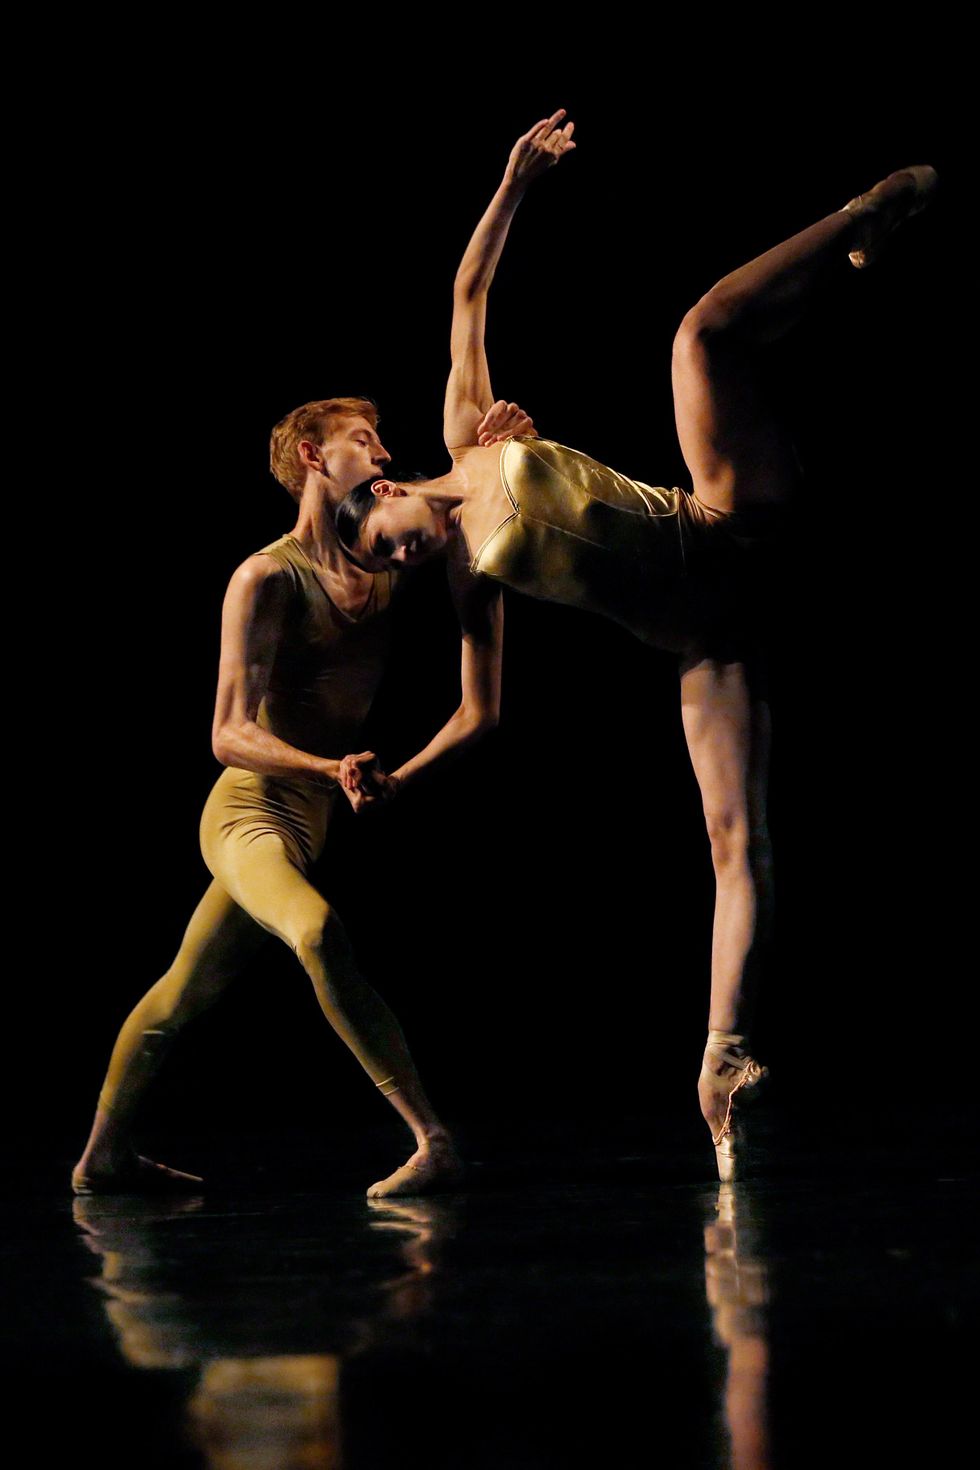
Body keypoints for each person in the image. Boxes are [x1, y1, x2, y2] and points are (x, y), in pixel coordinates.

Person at [335, 109, 938, 1179]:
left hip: (721, 519)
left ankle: (873, 206)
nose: (398, 561)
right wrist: (404, 777)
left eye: (383, 544)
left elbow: (467, 293)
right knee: (732, 849)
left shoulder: (469, 429)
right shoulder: (471, 579)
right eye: (386, 570)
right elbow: (480, 713)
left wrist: (513, 179)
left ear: (386, 493)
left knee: (696, 331)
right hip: (709, 639)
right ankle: (723, 1071)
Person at [72, 391, 536, 1201]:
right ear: (317, 460)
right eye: (364, 440)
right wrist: (328, 771)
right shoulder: (266, 576)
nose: (384, 455)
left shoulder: (390, 549)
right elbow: (226, 733)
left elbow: (468, 490)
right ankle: (431, 1139)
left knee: (183, 991)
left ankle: (102, 1158)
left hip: (313, 817)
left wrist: (510, 447)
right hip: (250, 808)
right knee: (316, 931)